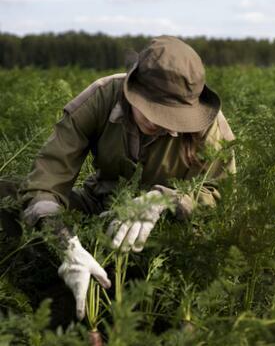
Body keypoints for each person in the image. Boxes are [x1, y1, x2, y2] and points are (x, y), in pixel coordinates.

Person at [0, 36, 235, 323]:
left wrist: (166, 200)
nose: (160, 123)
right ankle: (52, 282)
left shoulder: (209, 127)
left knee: (170, 281)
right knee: (7, 197)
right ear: (132, 89)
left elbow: (220, 194)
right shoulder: (101, 96)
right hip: (98, 207)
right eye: (153, 110)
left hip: (164, 232)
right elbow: (44, 184)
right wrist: (66, 244)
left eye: (172, 117)